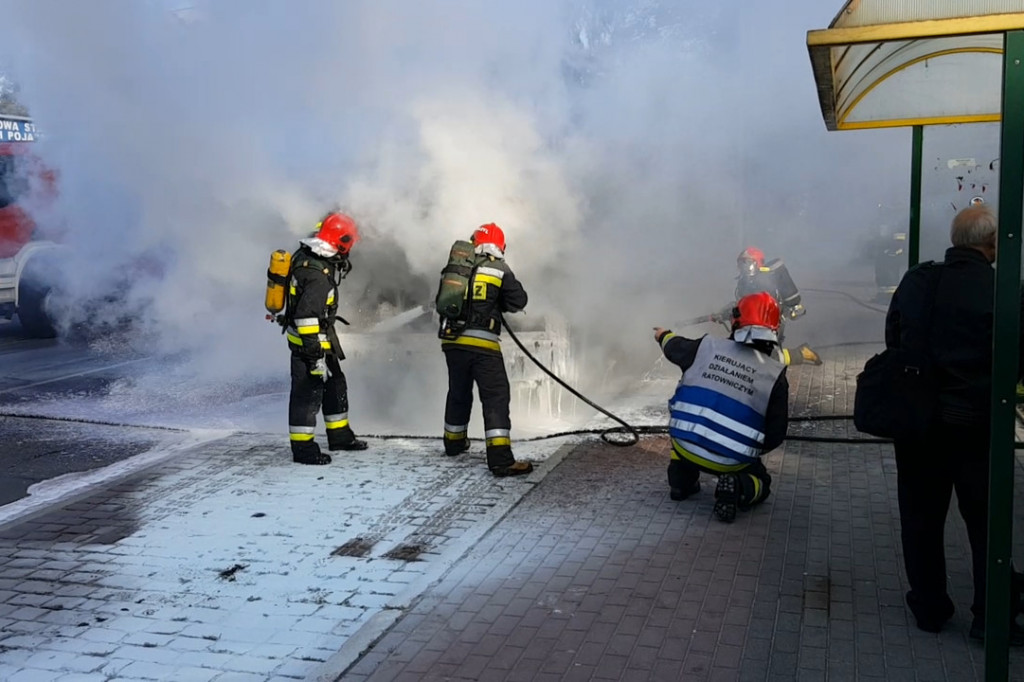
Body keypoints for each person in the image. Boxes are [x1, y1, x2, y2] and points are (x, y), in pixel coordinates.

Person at [886, 203, 1024, 642]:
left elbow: (895, 340)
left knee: (921, 519)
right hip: (976, 427)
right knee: (985, 523)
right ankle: (990, 616)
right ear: (991, 245)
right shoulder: (1002, 290)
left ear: (954, 240)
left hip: (919, 425)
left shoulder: (918, 280)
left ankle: (929, 607)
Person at [654, 291, 789, 522]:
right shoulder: (775, 376)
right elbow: (776, 434)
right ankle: (738, 486)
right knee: (762, 483)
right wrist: (748, 450)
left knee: (683, 446)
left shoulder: (707, 348)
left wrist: (662, 334)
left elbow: (674, 346)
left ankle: (680, 483)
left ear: (736, 322)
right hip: (732, 461)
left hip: (685, 444)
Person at [438, 223, 532, 477]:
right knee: (495, 396)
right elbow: (519, 300)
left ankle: (454, 443)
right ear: (500, 245)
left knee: (458, 391)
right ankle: (501, 459)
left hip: (452, 342)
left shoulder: (458, 267)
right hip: (483, 344)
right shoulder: (499, 268)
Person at [284, 211, 368, 465]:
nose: (349, 251)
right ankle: (303, 450)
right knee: (306, 395)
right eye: (348, 245)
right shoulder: (318, 275)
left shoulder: (308, 255)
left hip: (321, 343)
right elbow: (307, 317)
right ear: (339, 242)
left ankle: (340, 436)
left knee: (335, 386)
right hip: (310, 346)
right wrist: (313, 358)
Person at [733, 246, 822, 366]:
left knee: (767, 359)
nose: (744, 268)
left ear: (757, 263)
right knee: (747, 353)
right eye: (741, 264)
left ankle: (802, 353)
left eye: (747, 263)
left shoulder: (765, 280)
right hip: (752, 324)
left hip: (770, 323)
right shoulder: (744, 283)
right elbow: (742, 302)